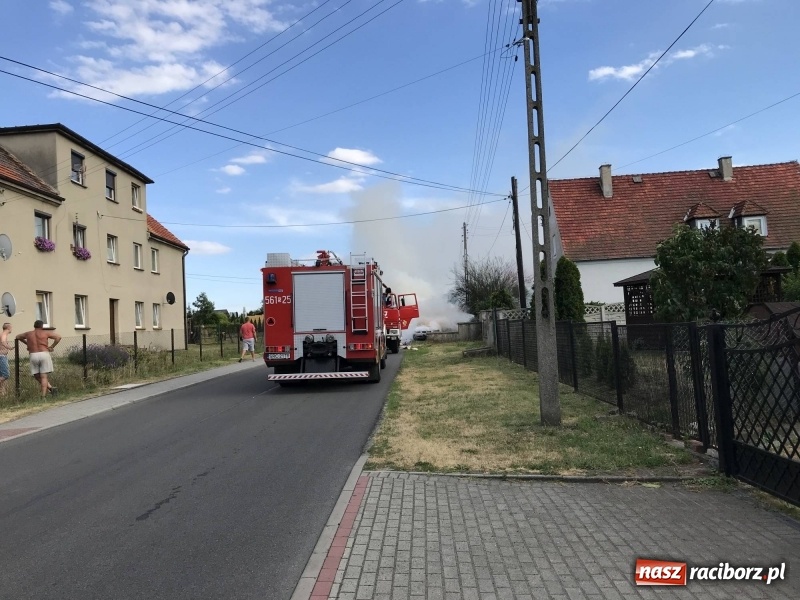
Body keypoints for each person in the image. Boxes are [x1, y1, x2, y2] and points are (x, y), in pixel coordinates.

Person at [16, 320, 61, 398]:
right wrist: (52, 346)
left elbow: (18, 337)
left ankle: (50, 389)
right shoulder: (45, 333)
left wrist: (27, 343)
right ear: (42, 326)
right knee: (44, 376)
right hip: (44, 353)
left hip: (33, 355)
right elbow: (58, 337)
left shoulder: (28, 334)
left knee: (37, 376)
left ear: (34, 326)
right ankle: (44, 395)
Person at [0, 323, 12, 397]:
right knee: (5, 375)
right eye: (11, 327)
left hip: (2, 356)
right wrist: (9, 347)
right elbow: (3, 342)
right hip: (2, 357)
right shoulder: (4, 334)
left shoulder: (2, 334)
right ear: (8, 327)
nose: (12, 329)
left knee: (1, 376)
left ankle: (3, 394)